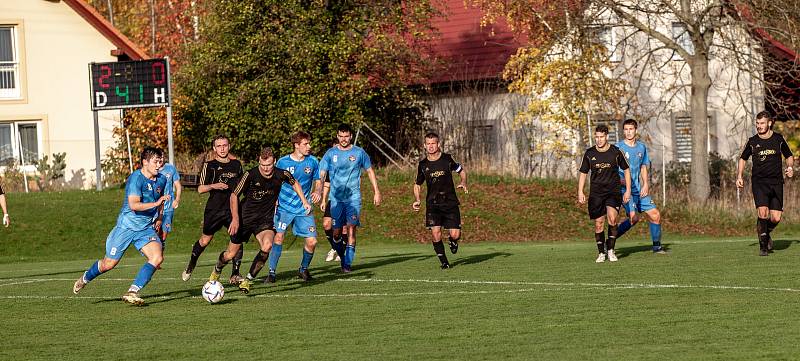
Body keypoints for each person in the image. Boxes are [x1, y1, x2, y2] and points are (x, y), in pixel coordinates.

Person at [72, 147, 169, 305]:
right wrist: (157, 203)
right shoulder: (136, 179)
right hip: (126, 227)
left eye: (161, 161)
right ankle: (85, 278)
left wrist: (159, 217)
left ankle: (132, 291)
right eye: (155, 161)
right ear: (145, 162)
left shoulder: (162, 179)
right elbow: (134, 205)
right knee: (108, 264)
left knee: (157, 258)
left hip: (145, 229)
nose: (159, 164)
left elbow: (161, 201)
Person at [209, 147, 311, 293]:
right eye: (263, 165)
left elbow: (295, 183)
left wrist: (304, 202)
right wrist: (235, 219)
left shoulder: (281, 174)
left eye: (269, 165)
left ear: (274, 162)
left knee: (268, 245)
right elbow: (233, 195)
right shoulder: (250, 174)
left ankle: (248, 280)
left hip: (265, 220)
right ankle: (217, 269)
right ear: (259, 162)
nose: (266, 168)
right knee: (230, 254)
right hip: (244, 219)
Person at [181, 135, 244, 283]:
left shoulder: (236, 165)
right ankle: (191, 264)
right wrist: (214, 185)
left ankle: (235, 273)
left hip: (232, 209)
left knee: (237, 238)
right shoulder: (209, 165)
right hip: (214, 210)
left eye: (225, 145)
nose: (222, 148)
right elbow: (200, 189)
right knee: (205, 240)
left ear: (229, 146)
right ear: (214, 148)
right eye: (219, 146)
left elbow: (242, 185)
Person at [319, 123, 381, 272]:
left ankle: (347, 264)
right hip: (336, 200)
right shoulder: (330, 153)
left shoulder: (359, 153)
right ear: (337, 136)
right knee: (336, 232)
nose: (344, 139)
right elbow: (322, 173)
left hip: (353, 199)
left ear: (351, 136)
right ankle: (339, 253)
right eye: (341, 136)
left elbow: (370, 171)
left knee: (351, 228)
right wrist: (319, 190)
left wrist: (377, 191)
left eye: (346, 136)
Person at [736, 110, 794, 256]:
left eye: (762, 123)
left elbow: (789, 156)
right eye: (757, 123)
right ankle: (763, 247)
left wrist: (790, 167)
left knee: (776, 217)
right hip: (759, 182)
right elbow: (742, 159)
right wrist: (739, 176)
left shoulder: (778, 139)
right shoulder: (752, 141)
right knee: (763, 212)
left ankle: (764, 232)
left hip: (776, 182)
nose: (759, 126)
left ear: (769, 123)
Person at [267, 131, 322, 282]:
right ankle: (271, 273)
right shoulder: (283, 162)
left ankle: (303, 269)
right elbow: (274, 182)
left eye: (309, 143)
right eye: (305, 144)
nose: (309, 146)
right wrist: (274, 199)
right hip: (284, 208)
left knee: (312, 241)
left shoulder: (313, 161)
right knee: (278, 237)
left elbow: (318, 180)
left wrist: (318, 191)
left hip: (304, 208)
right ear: (296, 145)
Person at [412, 132, 468, 269]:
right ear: (425, 146)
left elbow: (461, 171)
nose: (431, 146)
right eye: (428, 144)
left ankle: (453, 241)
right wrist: (417, 199)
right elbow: (417, 184)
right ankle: (444, 262)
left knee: (455, 234)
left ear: (438, 144)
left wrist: (463, 182)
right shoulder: (423, 164)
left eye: (433, 143)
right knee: (435, 233)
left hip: (450, 202)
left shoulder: (447, 159)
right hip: (433, 204)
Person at [578, 125, 631, 263]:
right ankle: (601, 253)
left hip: (613, 192)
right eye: (597, 137)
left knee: (613, 219)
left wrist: (628, 191)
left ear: (607, 137)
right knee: (599, 224)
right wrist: (580, 191)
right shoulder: (589, 153)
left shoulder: (615, 152)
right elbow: (583, 173)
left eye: (602, 137)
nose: (599, 140)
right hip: (596, 193)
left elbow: (626, 170)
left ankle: (611, 250)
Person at [613, 119, 666, 254]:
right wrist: (620, 181)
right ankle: (610, 240)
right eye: (626, 129)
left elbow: (643, 166)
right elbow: (611, 169)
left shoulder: (641, 147)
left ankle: (657, 247)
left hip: (638, 189)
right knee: (633, 218)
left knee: (655, 215)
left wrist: (646, 184)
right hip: (625, 190)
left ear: (636, 130)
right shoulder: (617, 148)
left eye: (631, 129)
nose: (628, 132)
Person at [157, 159, 182, 245]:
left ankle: (158, 256)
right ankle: (155, 256)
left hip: (168, 209)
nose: (161, 159)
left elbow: (178, 186)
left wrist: (177, 199)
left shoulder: (170, 168)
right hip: (155, 208)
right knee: (155, 235)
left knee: (163, 236)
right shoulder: (152, 169)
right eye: (159, 157)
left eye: (162, 157)